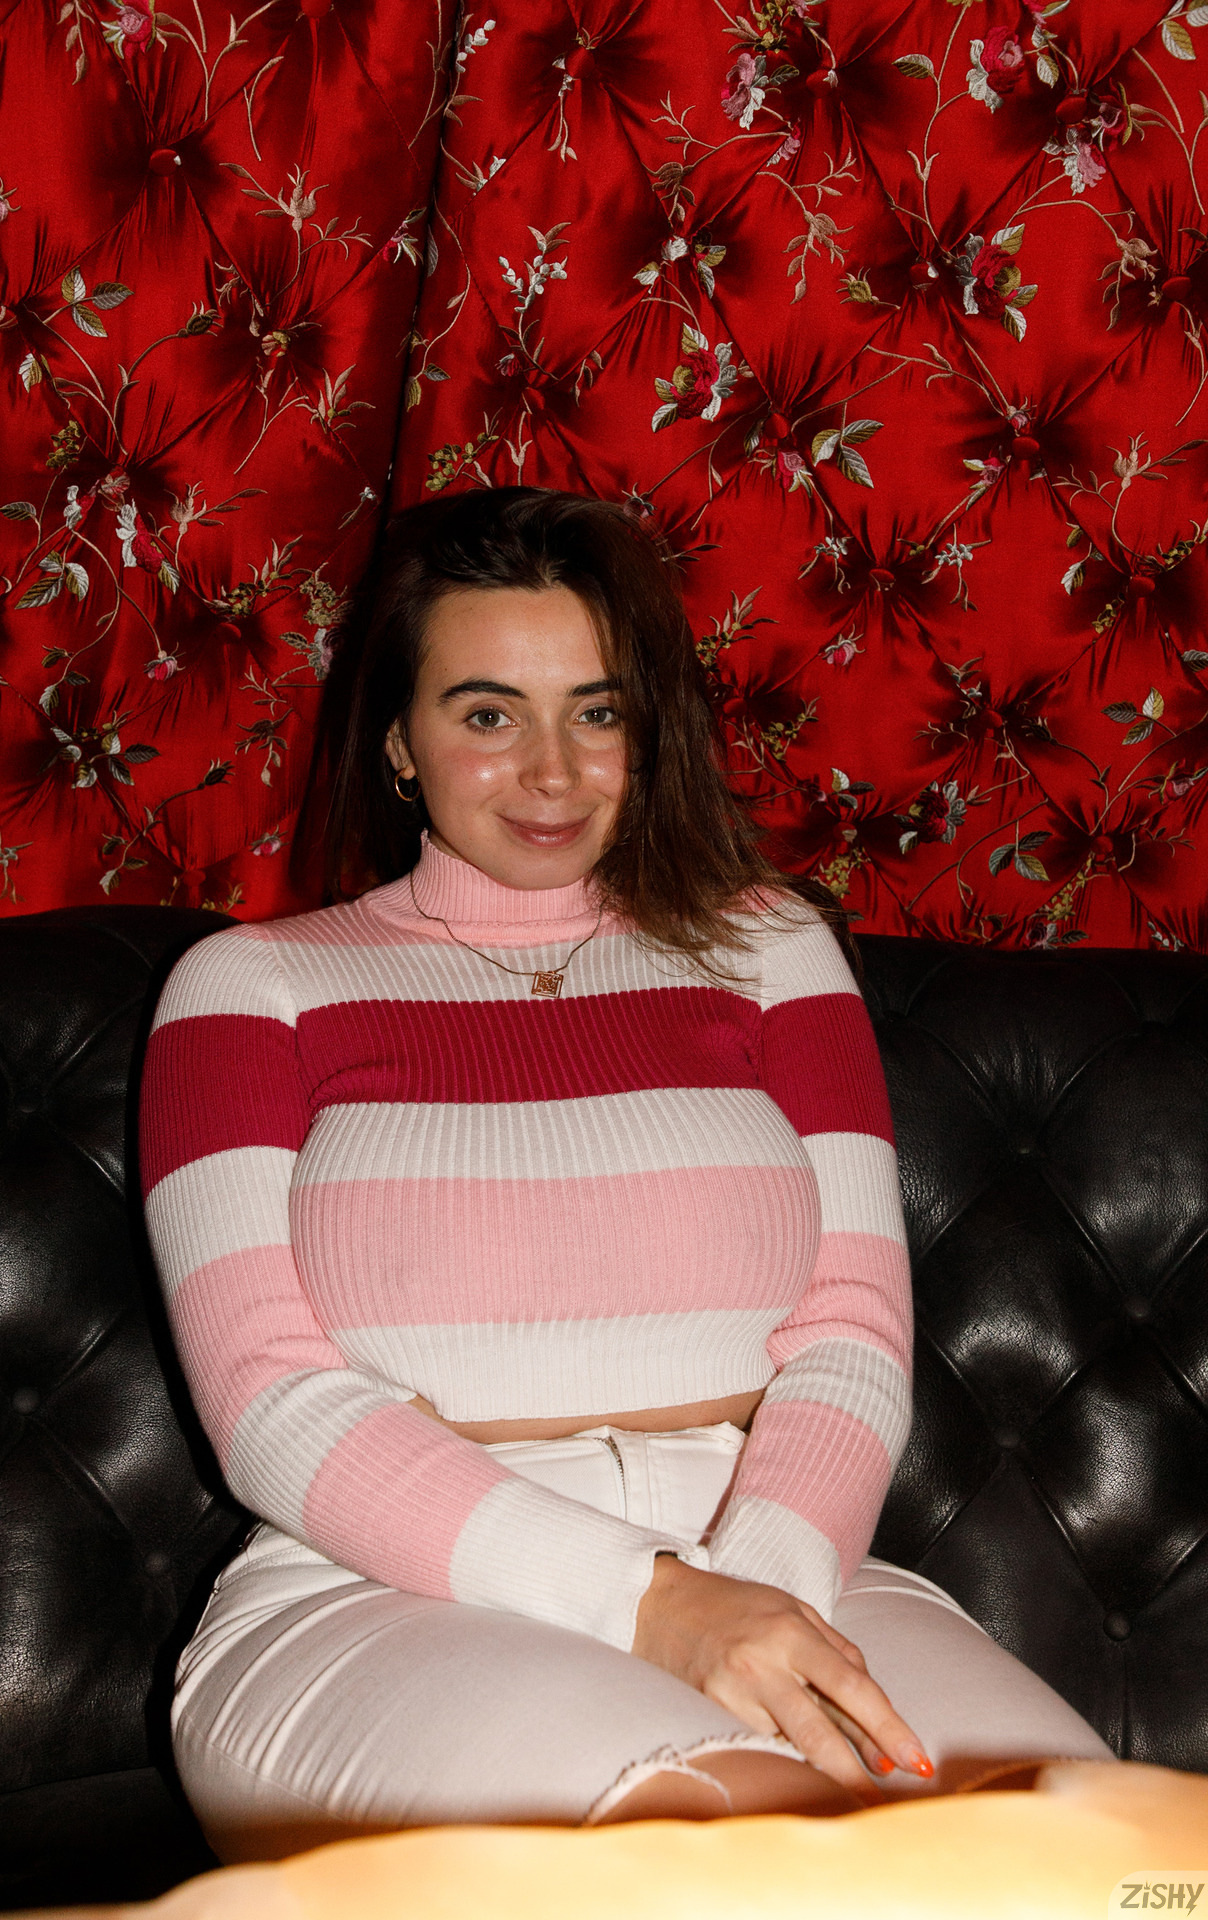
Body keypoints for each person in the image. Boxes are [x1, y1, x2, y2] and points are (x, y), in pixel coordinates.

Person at [139, 487, 1111, 1861]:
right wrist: (653, 1604)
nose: (553, 771)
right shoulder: (249, 988)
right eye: (488, 714)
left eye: (596, 711)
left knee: (1096, 1858)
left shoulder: (773, 950)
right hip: (380, 1587)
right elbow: (265, 1403)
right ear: (398, 741)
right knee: (710, 1862)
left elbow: (853, 1334)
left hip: (777, 1558)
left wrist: (749, 1593)